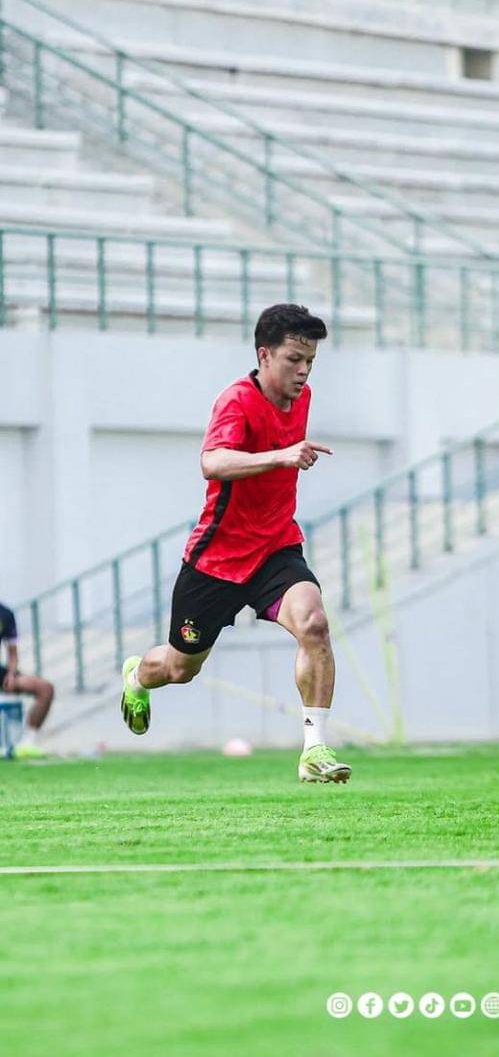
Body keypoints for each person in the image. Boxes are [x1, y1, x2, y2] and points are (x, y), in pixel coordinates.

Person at [119, 303, 351, 785]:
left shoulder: (302, 398)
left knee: (315, 623)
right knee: (181, 668)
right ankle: (139, 674)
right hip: (216, 562)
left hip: (275, 551)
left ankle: (314, 749)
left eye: (310, 360)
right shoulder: (236, 401)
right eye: (293, 359)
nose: (303, 370)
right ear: (264, 355)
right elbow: (213, 462)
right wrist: (281, 455)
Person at [0, 600, 54, 758]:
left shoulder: (5, 614)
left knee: (45, 688)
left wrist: (11, 673)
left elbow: (12, 652)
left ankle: (27, 743)